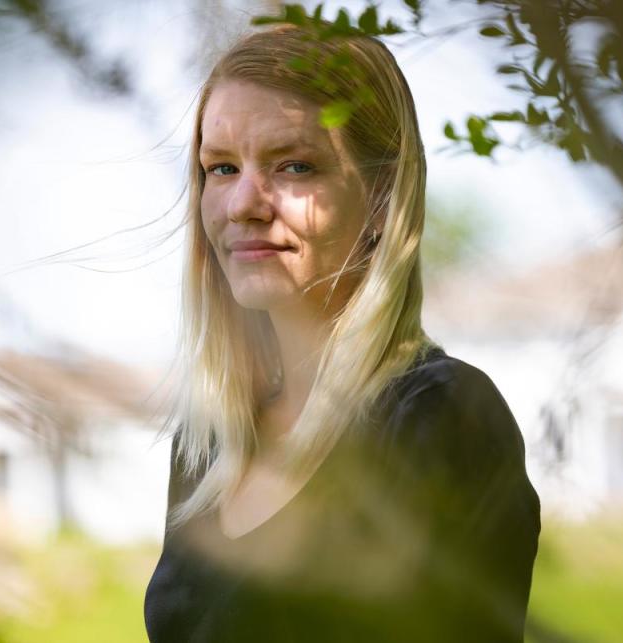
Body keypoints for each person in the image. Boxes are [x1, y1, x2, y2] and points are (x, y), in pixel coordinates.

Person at [144, 22, 540, 642]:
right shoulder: (209, 444)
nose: (244, 202)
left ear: (383, 196)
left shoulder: (439, 415)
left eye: (295, 165)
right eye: (220, 168)